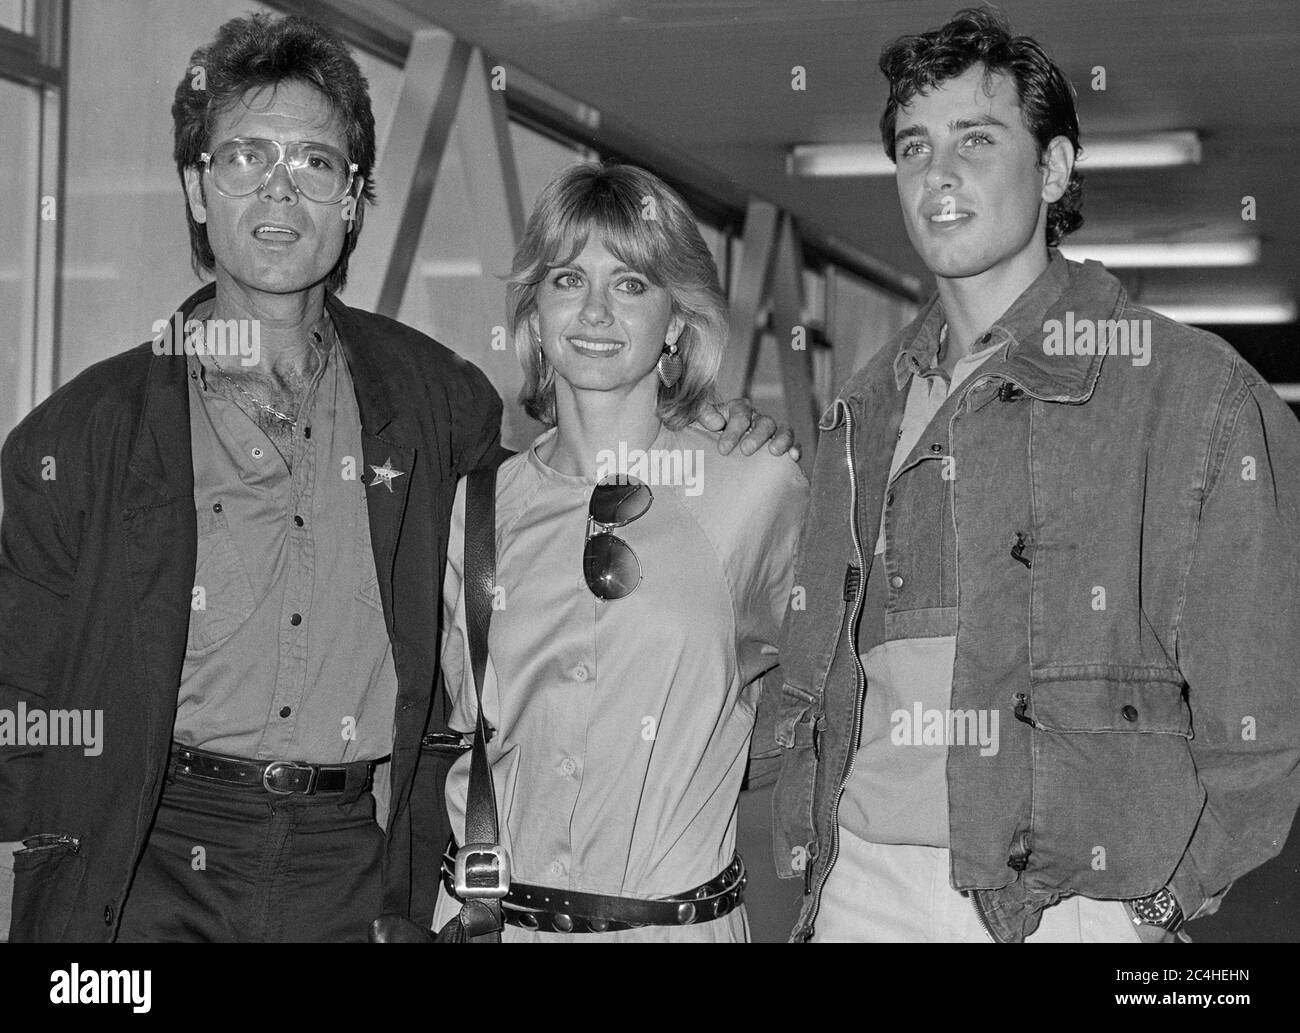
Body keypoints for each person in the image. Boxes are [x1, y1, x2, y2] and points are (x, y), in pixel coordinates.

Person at [0, 13, 787, 943]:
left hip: (357, 868)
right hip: (151, 858)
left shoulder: (432, 404)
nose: (281, 190)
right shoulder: (86, 432)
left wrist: (696, 423)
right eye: (245, 156)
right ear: (195, 186)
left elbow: (553, 538)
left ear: (355, 199)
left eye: (317, 163)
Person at [768, 6, 1300, 943]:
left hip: (1069, 907)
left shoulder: (1191, 393)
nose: (939, 173)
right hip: (861, 888)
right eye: (913, 146)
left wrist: (1158, 905)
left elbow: (1263, 710)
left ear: (1052, 169)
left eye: (978, 138)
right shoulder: (864, 408)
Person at [431, 163, 807, 941]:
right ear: (534, 312)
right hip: (494, 923)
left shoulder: (757, 489)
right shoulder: (477, 508)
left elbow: (830, 700)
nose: (596, 310)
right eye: (568, 278)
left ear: (676, 319)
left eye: (632, 283)